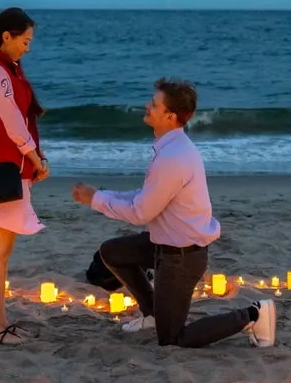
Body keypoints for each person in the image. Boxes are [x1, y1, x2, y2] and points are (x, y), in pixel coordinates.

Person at [71, 78, 275, 349]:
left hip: (180, 258)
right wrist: (100, 194)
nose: (147, 106)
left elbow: (141, 211)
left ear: (170, 115)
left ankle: (253, 314)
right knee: (112, 252)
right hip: (163, 245)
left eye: (154, 104)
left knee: (172, 339)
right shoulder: (170, 149)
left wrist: (95, 199)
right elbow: (145, 196)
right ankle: (153, 313)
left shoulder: (174, 157)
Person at [0, 7, 49, 345]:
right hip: (1, 171)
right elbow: (12, 121)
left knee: (2, 251)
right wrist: (35, 157)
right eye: (25, 41)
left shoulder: (5, 69)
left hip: (10, 169)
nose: (27, 48)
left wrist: (33, 160)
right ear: (7, 36)